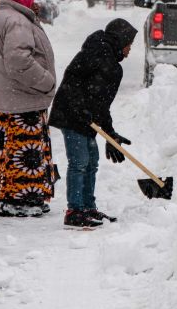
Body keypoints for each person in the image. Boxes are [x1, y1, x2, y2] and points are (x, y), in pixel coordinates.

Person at [49, 18, 138, 229]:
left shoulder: (111, 63)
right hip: (72, 116)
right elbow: (71, 82)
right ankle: (74, 211)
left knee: (91, 161)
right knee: (79, 162)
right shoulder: (96, 54)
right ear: (120, 40)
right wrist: (81, 110)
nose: (129, 50)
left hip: (85, 117)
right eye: (128, 44)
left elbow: (102, 103)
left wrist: (110, 133)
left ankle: (88, 207)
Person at [0, 0, 57, 217]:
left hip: (6, 100)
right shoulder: (17, 22)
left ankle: (11, 196)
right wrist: (46, 82)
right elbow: (18, 62)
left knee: (10, 153)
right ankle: (26, 200)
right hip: (23, 100)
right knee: (27, 155)